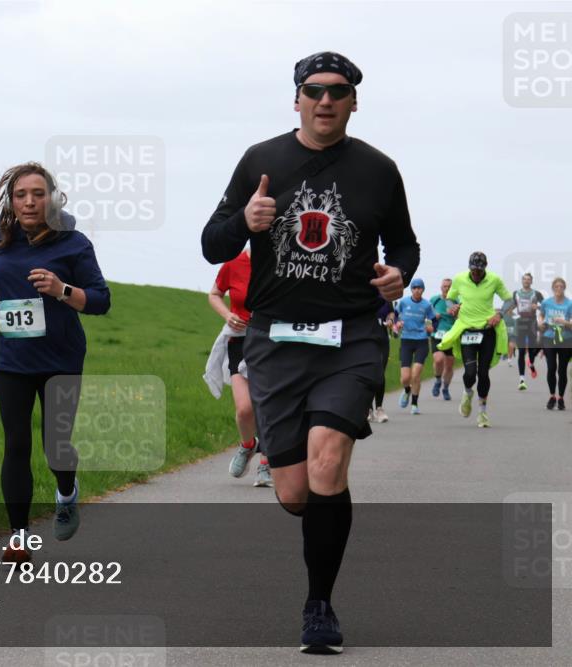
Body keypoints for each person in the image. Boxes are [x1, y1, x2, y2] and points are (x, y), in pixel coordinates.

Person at [201, 51, 419, 654]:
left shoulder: (379, 169)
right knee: (297, 492)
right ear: (296, 98)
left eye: (338, 91)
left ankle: (318, 606)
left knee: (328, 462)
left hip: (350, 335)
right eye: (314, 90)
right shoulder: (261, 161)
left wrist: (397, 271)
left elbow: (403, 241)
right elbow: (210, 242)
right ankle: (319, 521)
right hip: (274, 341)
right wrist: (245, 219)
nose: (326, 100)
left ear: (354, 101)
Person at [0, 162, 111, 563]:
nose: (29, 201)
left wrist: (61, 289)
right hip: (10, 357)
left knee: (56, 446)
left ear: (52, 198)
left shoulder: (73, 243)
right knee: (15, 444)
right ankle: (19, 537)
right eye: (21, 195)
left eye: (38, 193)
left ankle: (66, 492)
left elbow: (100, 300)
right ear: (10, 200)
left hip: (60, 358)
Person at [209, 248, 273, 487]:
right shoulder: (234, 263)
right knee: (245, 409)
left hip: (272, 341)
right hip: (240, 341)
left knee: (268, 406)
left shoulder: (280, 261)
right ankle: (248, 446)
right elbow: (214, 294)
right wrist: (227, 314)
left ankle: (266, 465)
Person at [437, 252, 510, 428]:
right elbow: (450, 299)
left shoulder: (494, 280)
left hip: (487, 331)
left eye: (479, 270)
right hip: (467, 330)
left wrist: (499, 314)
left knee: (483, 373)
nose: (476, 273)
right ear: (469, 268)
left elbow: (509, 300)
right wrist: (452, 307)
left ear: (485, 268)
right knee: (470, 373)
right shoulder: (460, 279)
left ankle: (482, 413)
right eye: (473, 270)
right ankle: (468, 393)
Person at [393, 278, 435, 415]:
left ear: (423, 290)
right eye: (414, 288)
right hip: (406, 340)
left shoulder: (427, 305)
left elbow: (434, 321)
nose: (417, 290)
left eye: (419, 288)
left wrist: (431, 328)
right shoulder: (404, 302)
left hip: (421, 341)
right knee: (405, 378)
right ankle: (407, 390)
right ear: (411, 290)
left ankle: (415, 404)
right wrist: (397, 323)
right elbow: (395, 315)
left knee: (416, 373)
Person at [503, 273, 545, 390]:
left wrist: (538, 307)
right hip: (520, 323)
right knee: (521, 351)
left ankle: (531, 363)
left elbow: (546, 306)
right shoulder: (516, 293)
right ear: (522, 281)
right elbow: (510, 308)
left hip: (531, 323)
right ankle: (522, 379)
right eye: (524, 279)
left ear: (531, 281)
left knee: (531, 350)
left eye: (528, 279)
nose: (526, 281)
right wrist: (513, 314)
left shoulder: (536, 294)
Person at [537, 277, 571, 410]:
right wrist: (540, 323)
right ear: (553, 288)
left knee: (562, 370)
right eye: (556, 286)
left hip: (566, 338)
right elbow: (541, 315)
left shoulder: (569, 304)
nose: (559, 289)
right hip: (549, 337)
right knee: (551, 368)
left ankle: (561, 398)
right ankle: (552, 396)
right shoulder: (546, 302)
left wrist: (564, 322)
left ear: (564, 288)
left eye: (561, 286)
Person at [428, 277, 456, 400]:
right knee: (438, 359)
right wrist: (433, 317)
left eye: (449, 286)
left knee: (449, 365)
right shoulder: (434, 300)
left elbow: (461, 317)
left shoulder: (456, 301)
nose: (447, 288)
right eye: (445, 286)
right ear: (441, 287)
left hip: (450, 335)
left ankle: (445, 388)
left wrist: (455, 314)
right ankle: (438, 380)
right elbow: (427, 314)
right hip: (437, 334)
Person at [367, 301, 394, 423]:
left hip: (382, 339)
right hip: (366, 338)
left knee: (380, 373)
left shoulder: (385, 296)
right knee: (367, 373)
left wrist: (390, 320)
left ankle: (379, 408)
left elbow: (391, 312)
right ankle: (368, 409)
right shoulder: (362, 292)